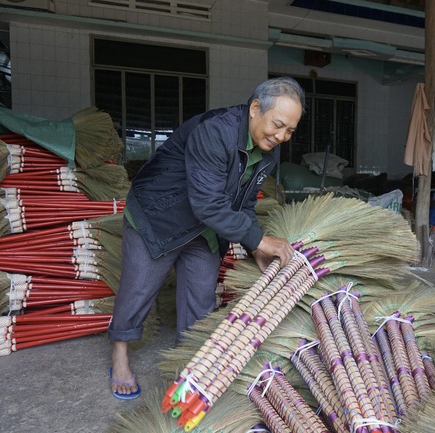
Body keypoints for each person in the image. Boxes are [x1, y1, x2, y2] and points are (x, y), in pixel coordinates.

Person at [107, 77, 305, 399]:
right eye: (278, 125)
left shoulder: (268, 153)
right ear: (256, 109)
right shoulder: (216, 132)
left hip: (204, 230)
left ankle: (188, 366)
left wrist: (253, 244)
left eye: (290, 131)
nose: (281, 136)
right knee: (139, 287)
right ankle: (119, 356)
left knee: (200, 300)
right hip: (159, 215)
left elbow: (244, 202)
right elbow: (208, 203)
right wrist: (260, 240)